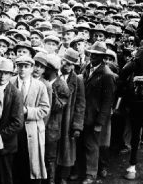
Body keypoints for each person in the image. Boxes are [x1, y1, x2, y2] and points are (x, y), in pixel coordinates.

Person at [81, 42, 116, 184]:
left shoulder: (107, 74)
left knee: (92, 145)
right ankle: (82, 170)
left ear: (103, 57)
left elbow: (107, 102)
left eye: (96, 55)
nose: (92, 57)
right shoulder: (86, 68)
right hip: (82, 113)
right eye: (91, 54)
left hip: (94, 116)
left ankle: (91, 174)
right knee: (82, 143)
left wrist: (100, 123)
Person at [12, 55, 50, 184]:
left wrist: (27, 111)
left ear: (31, 68)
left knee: (32, 164)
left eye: (26, 66)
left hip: (32, 129)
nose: (22, 69)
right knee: (14, 163)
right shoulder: (10, 82)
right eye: (20, 66)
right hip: (13, 129)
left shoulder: (40, 86)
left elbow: (45, 109)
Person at [56, 48, 86, 183]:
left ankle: (63, 177)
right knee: (52, 148)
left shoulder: (77, 80)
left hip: (68, 120)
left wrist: (77, 126)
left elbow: (80, 103)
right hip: (54, 119)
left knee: (67, 150)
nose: (67, 66)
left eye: (71, 64)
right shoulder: (53, 76)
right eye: (66, 62)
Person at [0, 57, 24, 184]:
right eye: (0, 72)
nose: (2, 76)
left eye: (6, 73)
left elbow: (17, 123)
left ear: (11, 75)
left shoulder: (15, 93)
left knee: (5, 176)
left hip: (6, 144)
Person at [42, 54, 70, 184]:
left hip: (52, 129)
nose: (42, 70)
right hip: (41, 126)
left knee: (50, 159)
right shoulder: (41, 81)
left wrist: (50, 91)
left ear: (52, 70)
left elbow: (59, 106)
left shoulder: (61, 85)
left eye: (45, 68)